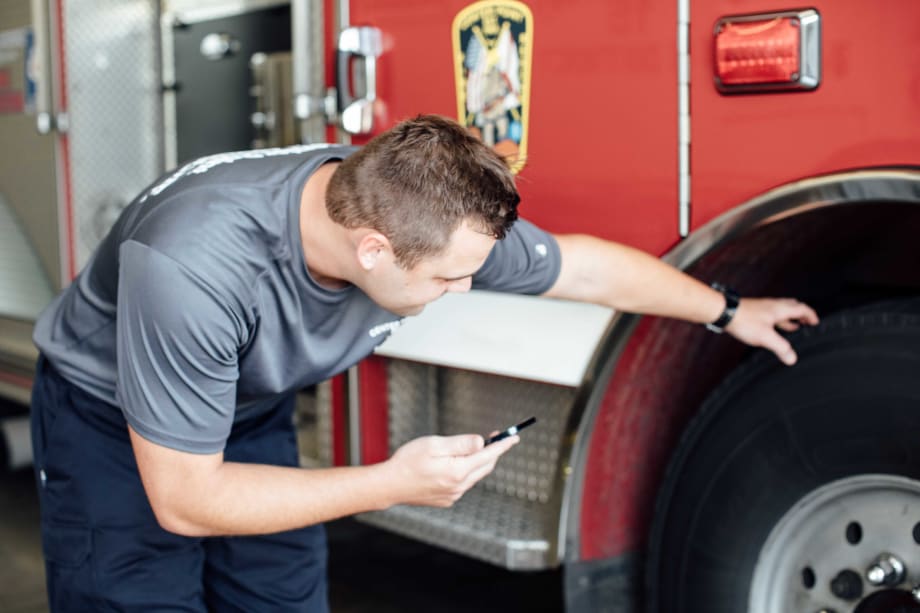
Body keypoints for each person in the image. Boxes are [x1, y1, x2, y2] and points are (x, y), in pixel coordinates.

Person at [30, 114, 818, 611]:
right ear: (371, 248)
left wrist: (727, 309)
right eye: (449, 278)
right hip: (114, 423)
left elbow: (579, 268)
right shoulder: (195, 269)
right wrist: (392, 482)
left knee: (278, 594)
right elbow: (188, 500)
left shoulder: (414, 212)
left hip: (247, 402)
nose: (467, 287)